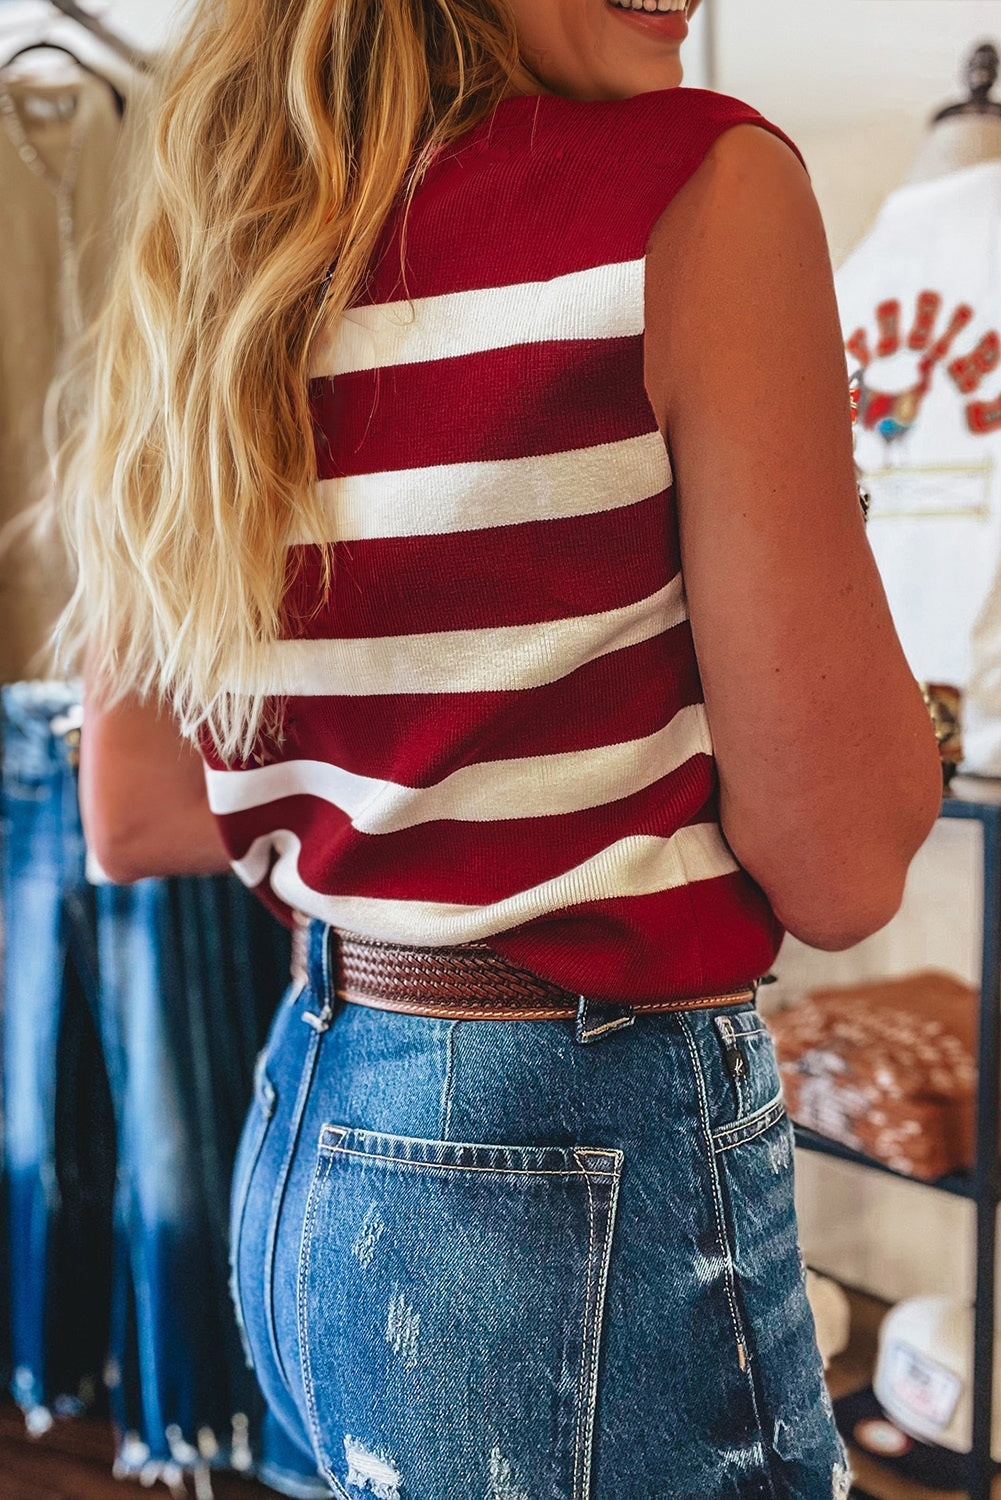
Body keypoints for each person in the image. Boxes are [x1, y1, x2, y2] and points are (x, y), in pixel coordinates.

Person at [52, 0, 943, 1493]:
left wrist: (412, 763)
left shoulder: (224, 251)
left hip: (317, 1120)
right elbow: (845, 863)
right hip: (569, 1156)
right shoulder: (698, 186)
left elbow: (133, 810)